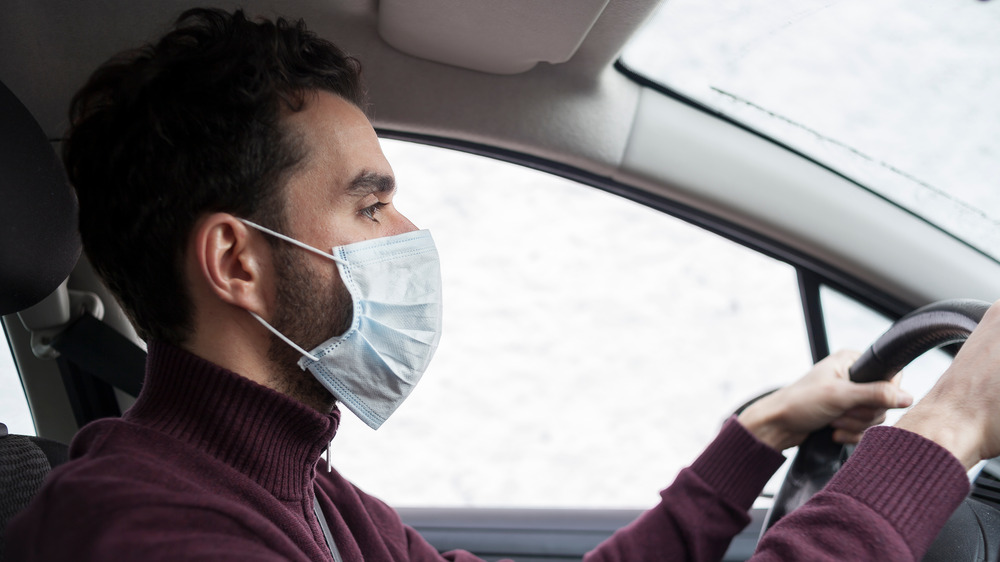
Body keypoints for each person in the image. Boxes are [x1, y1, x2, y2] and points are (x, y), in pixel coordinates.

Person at [4, 7, 997, 561]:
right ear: (237, 261)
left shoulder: (302, 493)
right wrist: (940, 434)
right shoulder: (149, 531)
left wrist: (756, 437)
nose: (409, 234)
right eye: (369, 204)